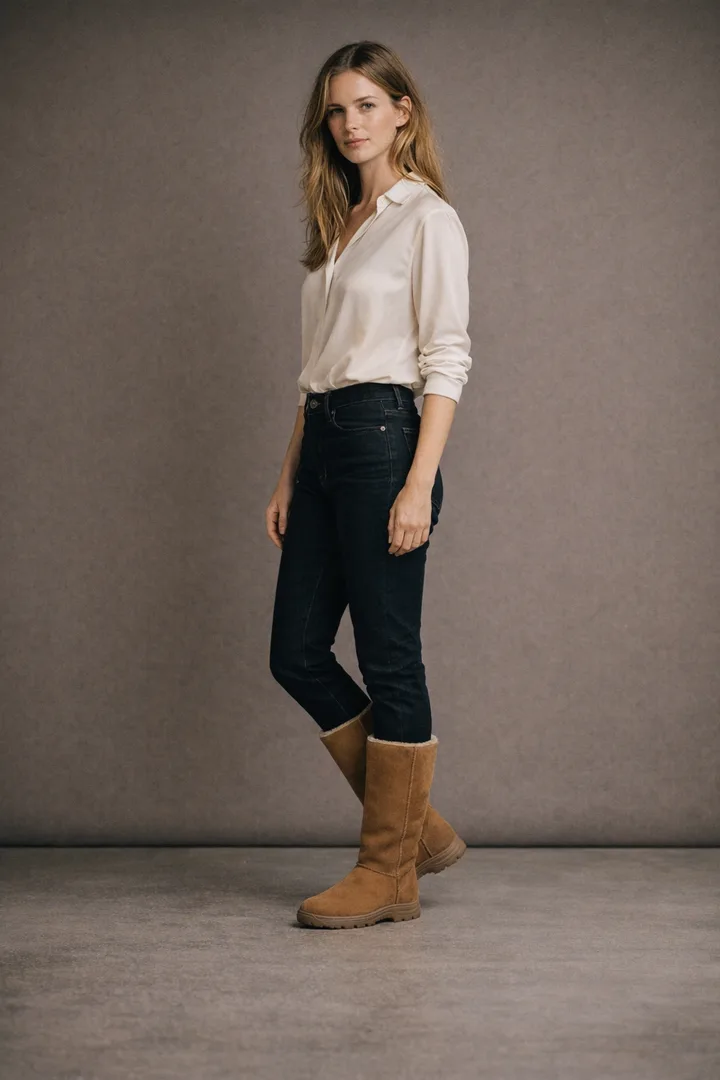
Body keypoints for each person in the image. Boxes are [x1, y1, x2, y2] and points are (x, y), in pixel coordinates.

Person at [265, 41, 471, 929]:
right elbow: (315, 374)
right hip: (322, 449)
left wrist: (418, 483)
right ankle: (413, 823)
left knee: (390, 656)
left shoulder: (427, 221)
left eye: (365, 105)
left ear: (402, 113)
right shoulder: (336, 233)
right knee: (296, 651)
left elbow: (445, 359)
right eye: (336, 110)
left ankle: (389, 870)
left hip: (388, 440)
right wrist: (286, 476)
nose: (350, 123)